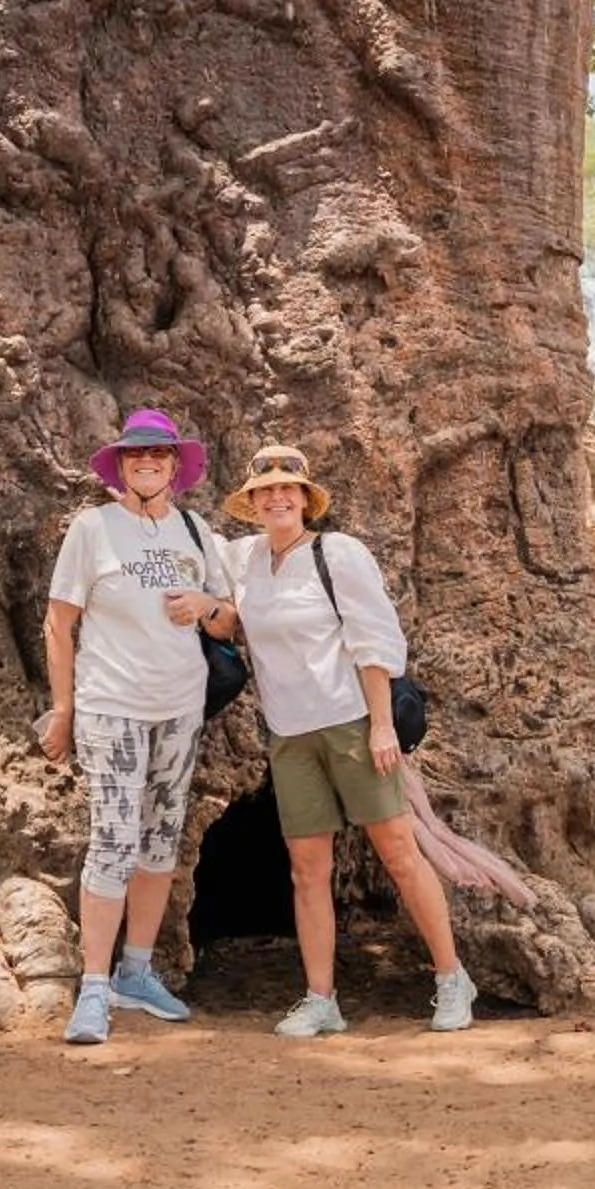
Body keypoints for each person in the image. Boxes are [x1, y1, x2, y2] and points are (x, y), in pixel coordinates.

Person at [196, 444, 476, 1037]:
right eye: (265, 490)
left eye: (287, 488)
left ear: (305, 498)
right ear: (251, 502)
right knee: (307, 868)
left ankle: (453, 979)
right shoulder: (244, 560)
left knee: (399, 852)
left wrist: (381, 725)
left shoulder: (338, 554)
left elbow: (373, 639)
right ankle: (321, 998)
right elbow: (194, 552)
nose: (277, 497)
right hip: (289, 736)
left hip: (351, 723)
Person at [43, 408, 220, 1044]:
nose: (147, 461)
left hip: (180, 705)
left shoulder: (196, 531)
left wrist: (206, 604)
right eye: (135, 454)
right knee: (114, 843)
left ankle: (136, 972)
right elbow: (59, 623)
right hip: (111, 704)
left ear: (176, 466)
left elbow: (230, 620)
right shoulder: (93, 528)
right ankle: (94, 986)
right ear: (121, 465)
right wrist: (63, 711)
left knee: (160, 841)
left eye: (158, 454)